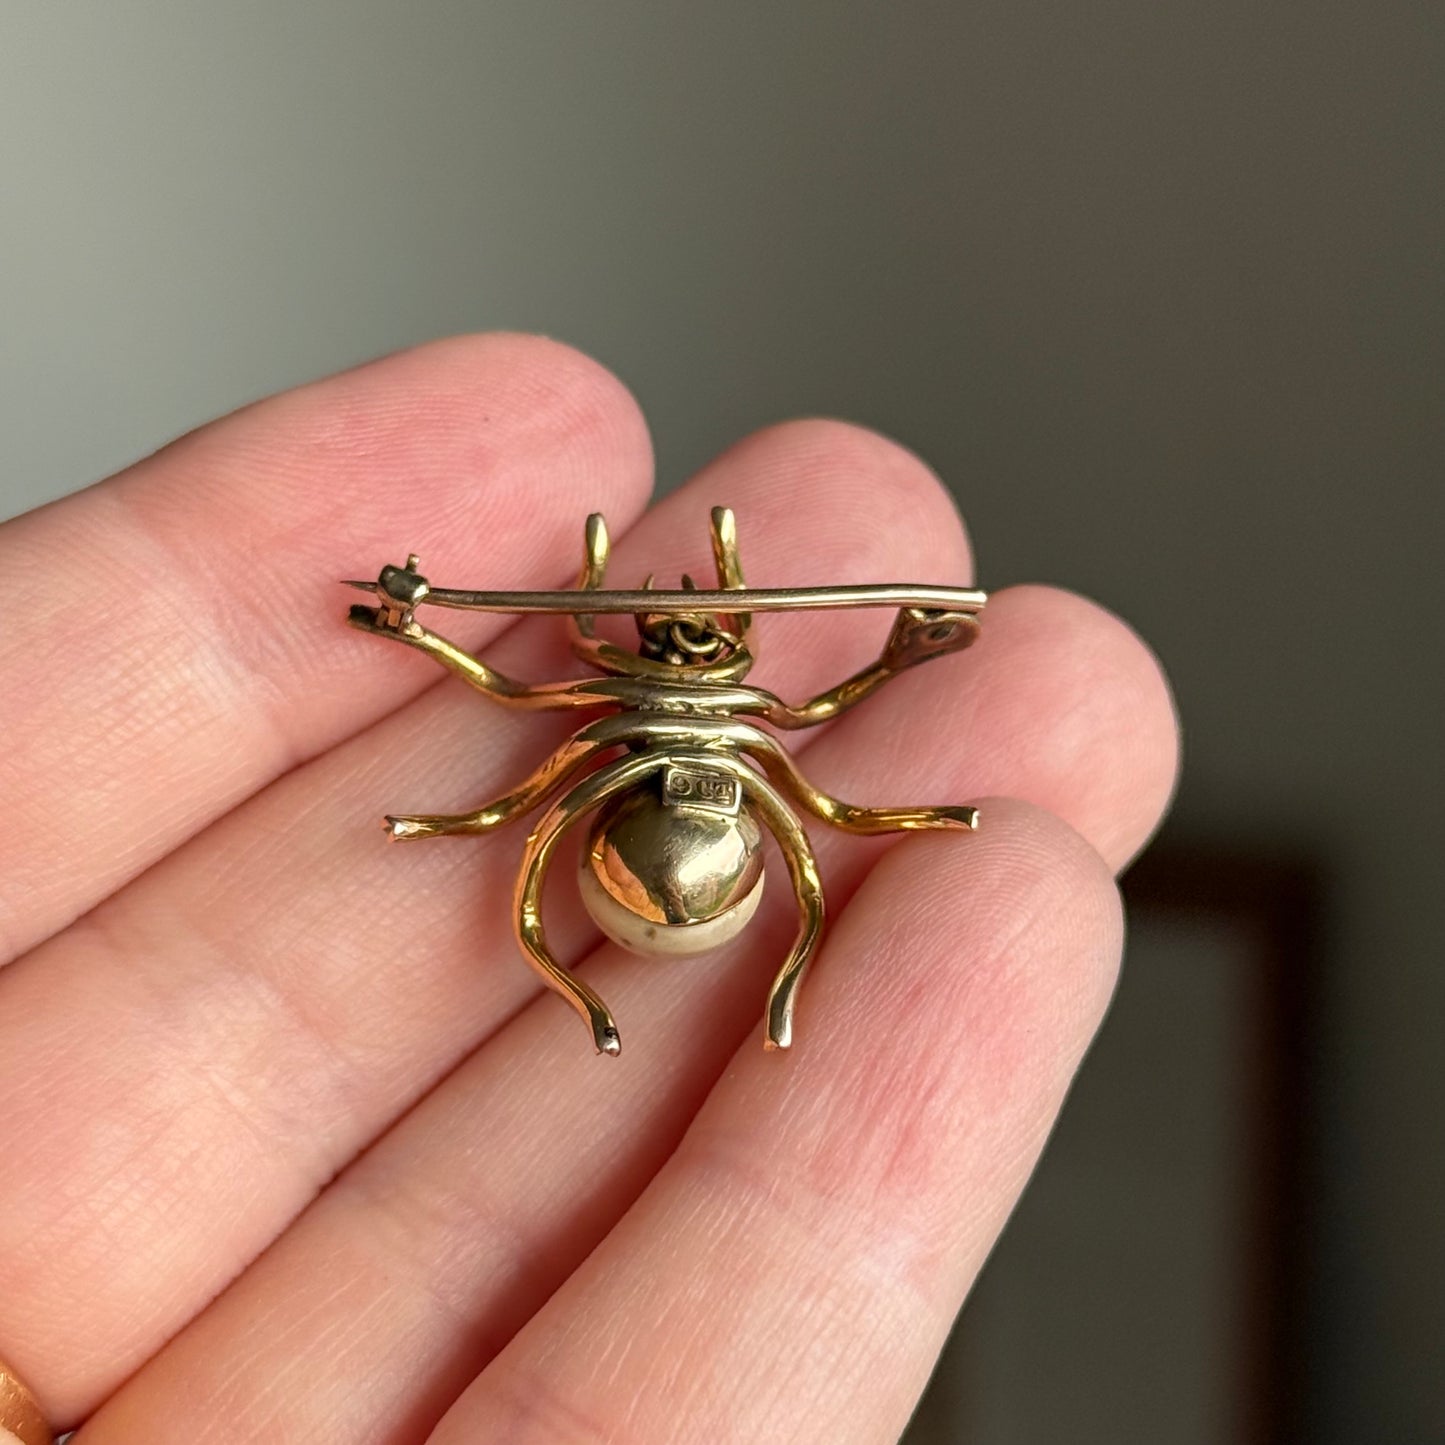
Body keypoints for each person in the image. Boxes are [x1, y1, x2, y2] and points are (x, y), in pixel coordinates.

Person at [0, 333, 1178, 1445]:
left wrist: (905, 655)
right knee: (543, 853)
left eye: (702, 622)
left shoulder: (728, 709)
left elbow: (816, 739)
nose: (684, 634)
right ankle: (596, 998)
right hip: (632, 835)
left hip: (703, 843)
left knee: (803, 852)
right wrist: (418, 641)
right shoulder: (597, 691)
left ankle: (762, 991)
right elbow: (519, 709)